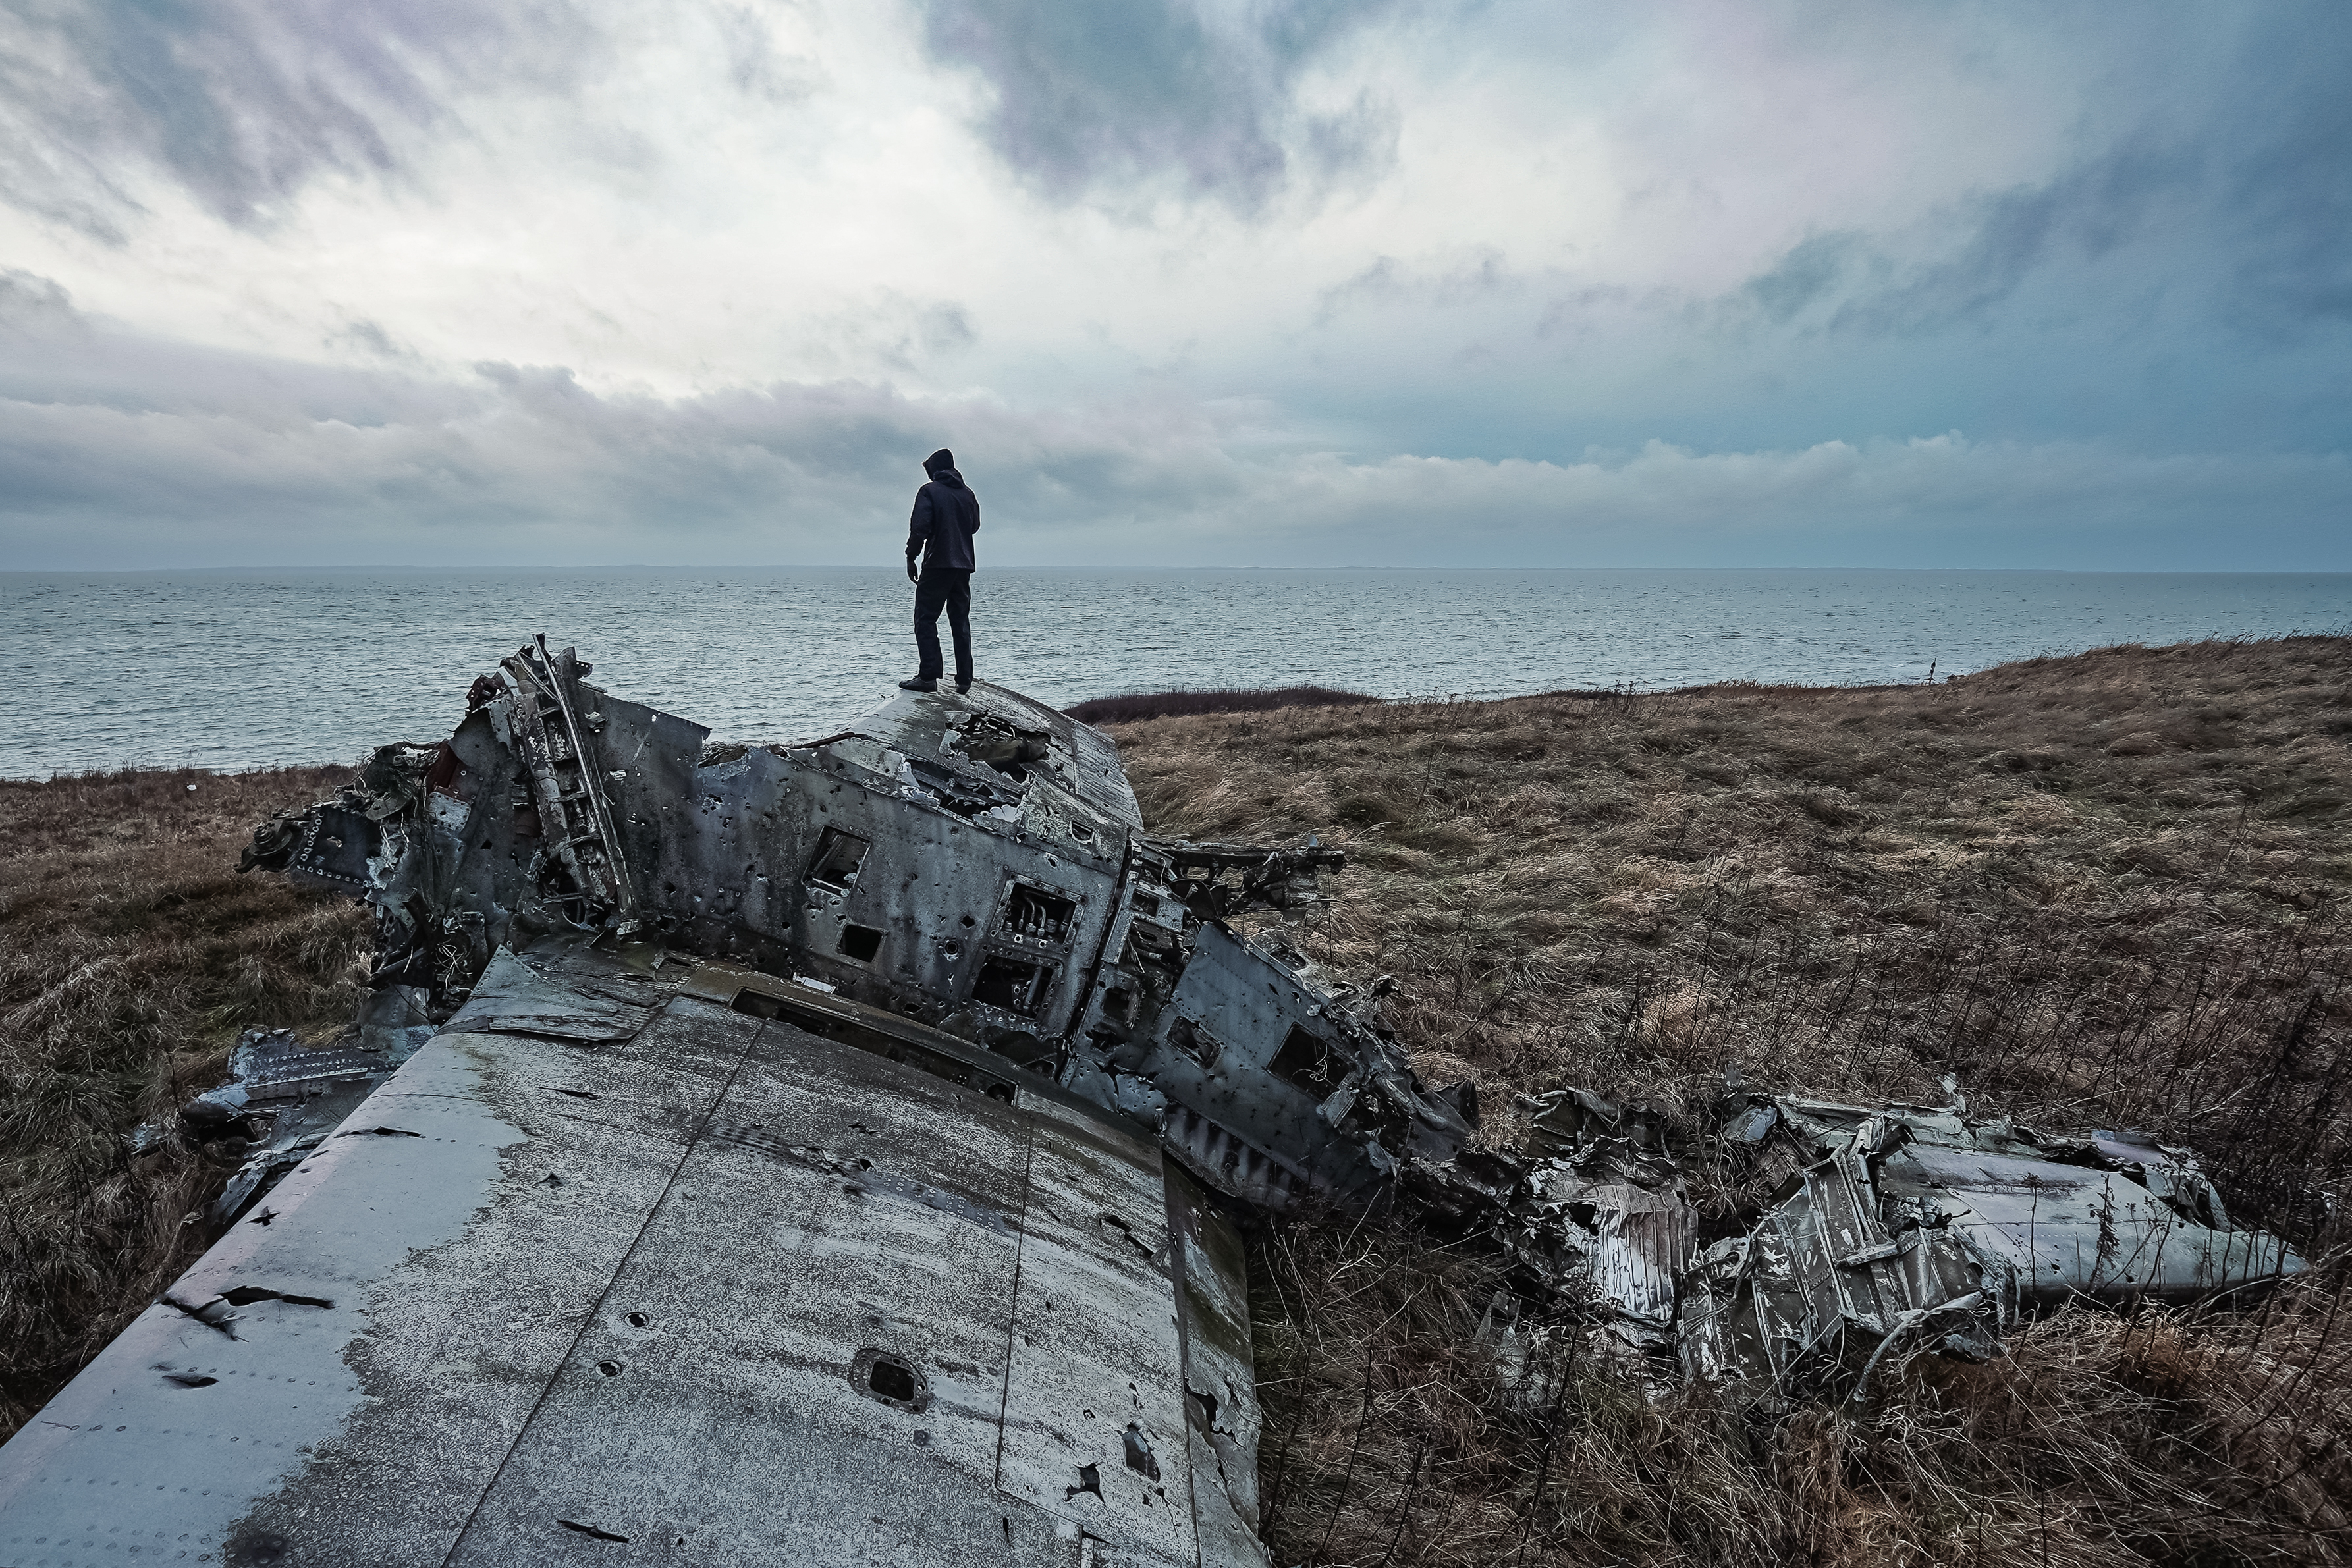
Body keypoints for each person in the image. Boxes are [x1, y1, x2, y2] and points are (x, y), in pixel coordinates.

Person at [900, 448, 980, 693]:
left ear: (933, 470)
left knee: (925, 618)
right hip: (963, 566)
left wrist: (911, 555)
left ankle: (928, 676)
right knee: (960, 621)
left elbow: (920, 529)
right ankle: (965, 678)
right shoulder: (968, 494)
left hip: (938, 564)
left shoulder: (929, 492)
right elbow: (975, 527)